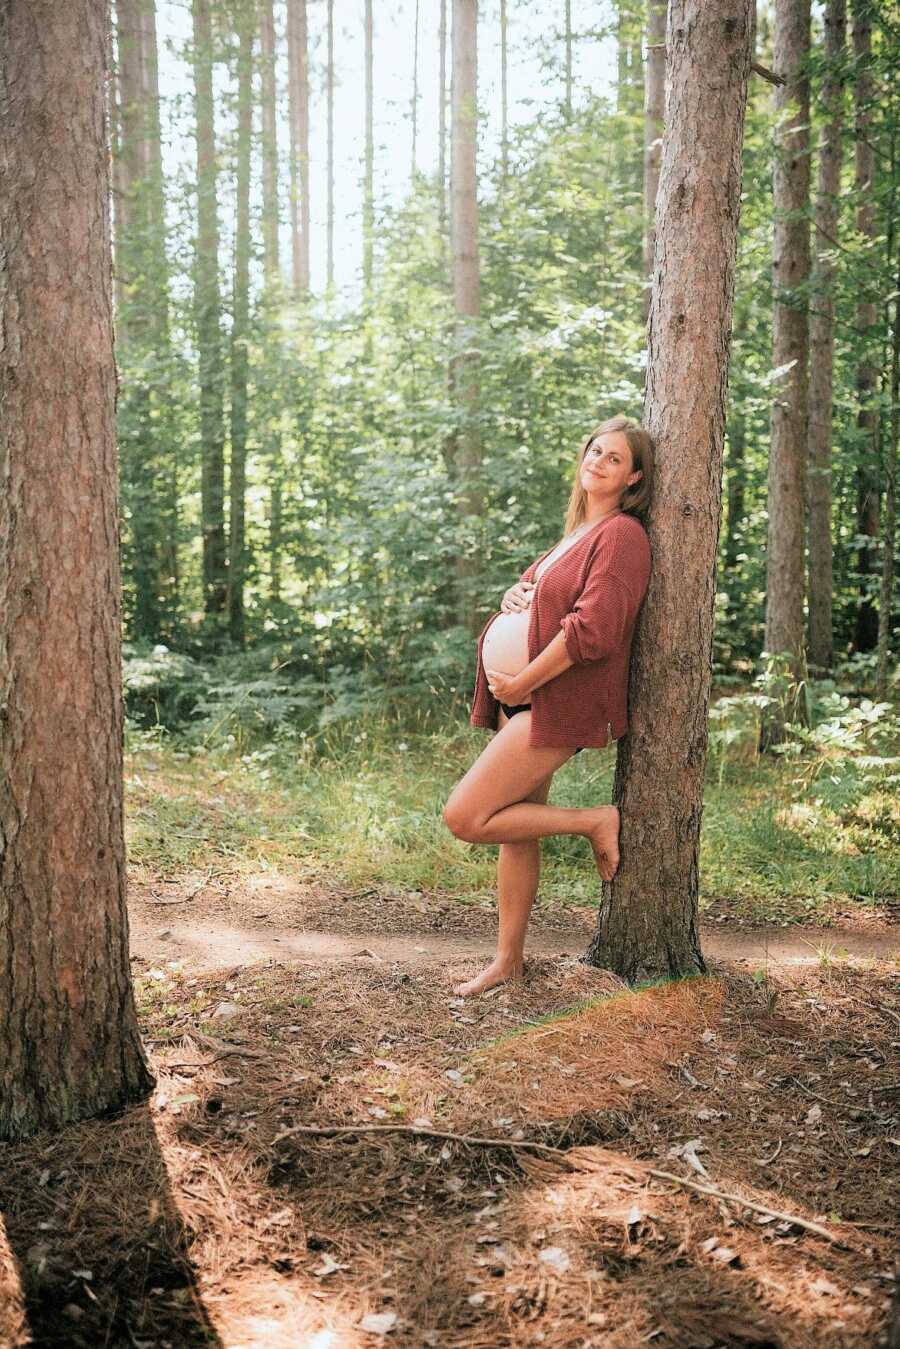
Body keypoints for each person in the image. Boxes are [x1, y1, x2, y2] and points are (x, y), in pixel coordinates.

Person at [442, 415, 654, 997]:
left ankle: (593, 820)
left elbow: (595, 629)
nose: (598, 461)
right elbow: (545, 599)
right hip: (527, 700)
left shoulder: (622, 535)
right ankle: (508, 960)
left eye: (614, 458)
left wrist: (523, 681)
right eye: (594, 450)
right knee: (514, 831)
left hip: (550, 700)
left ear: (634, 478)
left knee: (466, 817)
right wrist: (517, 594)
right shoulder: (577, 532)